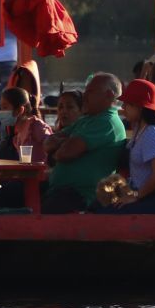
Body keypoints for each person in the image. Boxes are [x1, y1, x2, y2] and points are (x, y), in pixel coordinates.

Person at [41, 72, 128, 213]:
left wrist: (62, 146)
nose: (85, 96)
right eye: (85, 91)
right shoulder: (86, 120)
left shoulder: (106, 123)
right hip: (60, 189)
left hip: (81, 196)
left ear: (110, 96)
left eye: (90, 92)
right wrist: (68, 142)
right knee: (16, 191)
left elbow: (64, 154)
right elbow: (47, 143)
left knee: (35, 212)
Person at [99, 78, 155, 214]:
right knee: (99, 206)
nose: (123, 107)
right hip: (152, 195)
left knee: (108, 213)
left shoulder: (152, 133)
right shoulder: (140, 129)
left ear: (139, 107)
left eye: (127, 104)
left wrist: (135, 196)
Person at [0, 87, 53, 211]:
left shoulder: (36, 126)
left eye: (5, 108)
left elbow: (51, 144)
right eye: (0, 107)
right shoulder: (16, 135)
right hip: (22, 181)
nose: (1, 112)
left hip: (37, 183)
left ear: (20, 110)